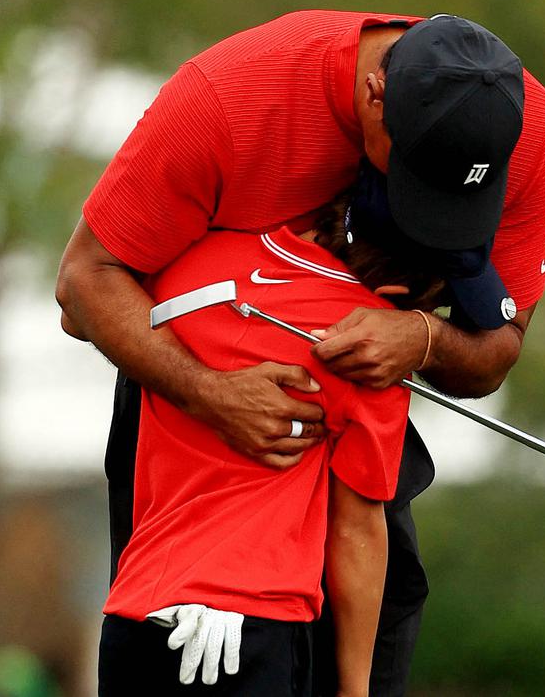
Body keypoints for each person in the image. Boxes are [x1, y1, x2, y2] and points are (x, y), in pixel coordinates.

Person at [57, 10, 545, 695]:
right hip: (179, 378)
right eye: (419, 182)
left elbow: (497, 351)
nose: (434, 213)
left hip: (366, 382)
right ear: (373, 96)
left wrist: (420, 337)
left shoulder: (528, 129)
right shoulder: (226, 98)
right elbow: (83, 284)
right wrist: (209, 392)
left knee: (385, 598)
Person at [99, 168, 455, 696]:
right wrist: (357, 689)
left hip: (132, 623)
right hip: (247, 630)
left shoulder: (196, 258)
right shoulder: (371, 346)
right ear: (402, 290)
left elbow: (81, 313)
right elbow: (357, 531)